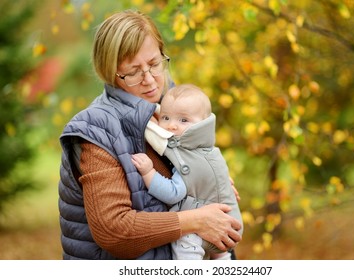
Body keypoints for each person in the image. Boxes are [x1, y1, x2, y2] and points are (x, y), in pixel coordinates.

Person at [58, 9, 242, 260]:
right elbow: (114, 231)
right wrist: (195, 220)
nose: (150, 80)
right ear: (111, 73)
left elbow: (193, 167)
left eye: (155, 64)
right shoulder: (96, 129)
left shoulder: (173, 105)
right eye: (133, 72)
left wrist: (209, 181)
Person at [131, 84, 243, 260]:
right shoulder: (211, 151)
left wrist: (148, 173)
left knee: (185, 242)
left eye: (183, 120)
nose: (171, 126)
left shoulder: (186, 159)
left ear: (203, 125)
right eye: (166, 117)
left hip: (203, 230)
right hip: (229, 225)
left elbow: (173, 193)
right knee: (220, 255)